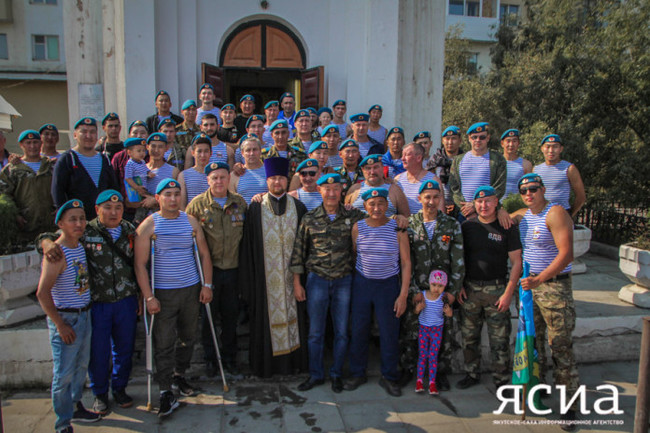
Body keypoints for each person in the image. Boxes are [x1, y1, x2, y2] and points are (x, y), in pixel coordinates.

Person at [39, 190, 139, 415]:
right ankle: (100, 393)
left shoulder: (129, 229)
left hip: (126, 299)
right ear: (97, 210)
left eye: (118, 208)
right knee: (98, 352)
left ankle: (120, 388)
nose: (113, 212)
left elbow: (139, 263)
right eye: (107, 208)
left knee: (124, 349)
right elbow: (51, 238)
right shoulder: (85, 230)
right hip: (97, 302)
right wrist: (46, 243)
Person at [134, 178, 213, 417]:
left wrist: (207, 285)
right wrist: (148, 297)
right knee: (165, 342)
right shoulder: (149, 225)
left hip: (190, 290)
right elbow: (140, 264)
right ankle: (165, 389)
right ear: (158, 198)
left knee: (188, 337)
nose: (173, 198)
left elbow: (204, 255)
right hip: (163, 294)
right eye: (167, 194)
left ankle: (180, 375)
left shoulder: (190, 222)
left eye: (177, 194)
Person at [512, 173, 579, 431]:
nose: (529, 193)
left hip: (553, 288)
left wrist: (540, 278)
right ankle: (538, 391)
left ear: (543, 189)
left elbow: (566, 253)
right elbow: (510, 214)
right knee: (535, 343)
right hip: (531, 290)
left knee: (560, 346)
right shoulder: (526, 214)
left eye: (533, 189)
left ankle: (569, 406)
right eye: (524, 190)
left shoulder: (556, 213)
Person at [290, 173, 366, 393]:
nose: (331, 193)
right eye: (327, 189)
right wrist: (297, 282)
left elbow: (376, 220)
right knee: (315, 332)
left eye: (335, 189)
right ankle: (315, 374)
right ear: (320, 191)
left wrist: (398, 220)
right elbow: (298, 252)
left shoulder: (354, 216)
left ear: (342, 191)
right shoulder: (309, 218)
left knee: (342, 331)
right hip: (317, 280)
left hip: (344, 280)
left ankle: (336, 374)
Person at [239, 157, 309, 378]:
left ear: (287, 180)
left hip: (292, 279)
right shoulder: (255, 208)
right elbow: (248, 249)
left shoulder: (298, 207)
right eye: (273, 178)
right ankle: (266, 367)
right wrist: (250, 284)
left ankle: (294, 364)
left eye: (281, 178)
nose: (277, 182)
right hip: (264, 280)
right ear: (266, 180)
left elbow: (306, 245)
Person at [36, 199, 101, 433]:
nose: (79, 223)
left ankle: (75, 406)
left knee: (80, 367)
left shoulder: (79, 246)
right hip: (67, 318)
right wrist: (59, 324)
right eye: (72, 219)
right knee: (63, 374)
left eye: (82, 218)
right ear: (60, 223)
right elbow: (42, 293)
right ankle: (62, 423)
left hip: (84, 314)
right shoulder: (56, 253)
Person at [345, 187, 411, 397]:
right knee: (358, 330)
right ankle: (357, 373)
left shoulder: (397, 228)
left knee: (389, 331)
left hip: (388, 285)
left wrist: (403, 295)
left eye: (381, 204)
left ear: (387, 206)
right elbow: (355, 254)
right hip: (363, 284)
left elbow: (406, 263)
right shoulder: (358, 227)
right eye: (372, 204)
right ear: (365, 207)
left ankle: (389, 376)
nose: (376, 208)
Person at [457, 185, 522, 391]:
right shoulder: (467, 227)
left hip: (497, 290)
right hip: (470, 290)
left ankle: (501, 379)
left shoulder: (507, 227)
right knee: (469, 337)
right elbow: (458, 258)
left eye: (488, 201)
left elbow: (517, 262)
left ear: (496, 203)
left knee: (500, 340)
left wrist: (509, 292)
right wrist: (459, 285)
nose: (483, 205)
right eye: (479, 202)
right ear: (474, 204)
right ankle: (471, 373)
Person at [401, 180, 464, 391]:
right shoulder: (410, 224)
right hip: (417, 289)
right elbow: (404, 261)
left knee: (443, 333)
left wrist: (453, 291)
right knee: (412, 330)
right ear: (419, 199)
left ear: (441, 199)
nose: (431, 201)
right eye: (427, 197)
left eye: (436, 197)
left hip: (442, 291)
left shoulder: (451, 225)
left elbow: (458, 260)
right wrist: (411, 292)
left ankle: (440, 373)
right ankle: (410, 370)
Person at [186, 162, 247, 376]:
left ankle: (230, 357)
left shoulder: (239, 203)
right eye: (215, 178)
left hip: (233, 270)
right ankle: (211, 359)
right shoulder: (196, 205)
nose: (219, 181)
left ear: (228, 178)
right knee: (208, 317)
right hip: (208, 272)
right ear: (208, 180)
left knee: (231, 317)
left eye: (222, 177)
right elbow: (189, 238)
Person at [52, 117, 118, 221]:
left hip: (102, 221)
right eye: (84, 132)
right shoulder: (67, 159)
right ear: (75, 135)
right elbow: (58, 191)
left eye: (92, 132)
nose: (88, 136)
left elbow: (113, 188)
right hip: (77, 222)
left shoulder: (105, 159)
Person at [0, 129, 55, 242]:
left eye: (35, 142)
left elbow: (62, 188)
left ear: (41, 143)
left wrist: (59, 207)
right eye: (28, 143)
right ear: (21, 145)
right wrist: (15, 215)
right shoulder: (12, 169)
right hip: (26, 226)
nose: (32, 146)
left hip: (51, 224)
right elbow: (4, 195)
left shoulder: (51, 166)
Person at [448, 122, 507, 220]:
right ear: (469, 139)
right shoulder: (458, 160)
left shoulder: (497, 160)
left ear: (488, 138)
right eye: (474, 137)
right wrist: (466, 208)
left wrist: (475, 206)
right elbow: (454, 189)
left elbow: (499, 188)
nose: (478, 140)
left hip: (488, 213)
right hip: (464, 214)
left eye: (482, 137)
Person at [413, 270, 453, 395]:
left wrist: (449, 313)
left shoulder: (443, 299)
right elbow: (415, 312)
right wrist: (417, 309)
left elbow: (449, 314)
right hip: (424, 329)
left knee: (433, 356)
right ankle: (419, 381)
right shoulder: (423, 295)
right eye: (434, 285)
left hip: (436, 330)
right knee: (423, 355)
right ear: (429, 284)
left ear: (444, 287)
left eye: (440, 286)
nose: (436, 289)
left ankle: (432, 383)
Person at [534, 134, 586, 218]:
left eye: (555, 147)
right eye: (547, 147)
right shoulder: (536, 169)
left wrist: (569, 215)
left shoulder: (569, 168)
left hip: (562, 214)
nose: (551, 150)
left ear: (561, 149)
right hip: (541, 215)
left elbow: (581, 197)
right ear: (542, 149)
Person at [345, 154, 410, 217]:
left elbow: (406, 217)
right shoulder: (354, 190)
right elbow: (345, 213)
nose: (372, 172)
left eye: (376, 167)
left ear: (382, 168)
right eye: (368, 168)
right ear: (363, 170)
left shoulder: (394, 190)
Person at [395, 142, 442, 214]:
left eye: (406, 155)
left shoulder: (433, 180)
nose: (402, 158)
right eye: (402, 155)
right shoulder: (397, 180)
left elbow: (440, 210)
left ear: (419, 158)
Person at [427, 126, 464, 214]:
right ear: (443, 141)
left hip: (460, 206)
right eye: (447, 139)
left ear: (460, 141)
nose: (450, 142)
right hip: (438, 205)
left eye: (453, 138)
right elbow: (430, 184)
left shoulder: (465, 159)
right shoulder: (435, 160)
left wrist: (457, 204)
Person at [229, 135, 268, 204]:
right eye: (248, 150)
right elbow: (232, 202)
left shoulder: (269, 171)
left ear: (260, 151)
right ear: (242, 153)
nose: (252, 153)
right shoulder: (235, 175)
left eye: (255, 149)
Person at [178, 134, 211, 208]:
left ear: (211, 153)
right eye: (199, 151)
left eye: (206, 151)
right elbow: (182, 206)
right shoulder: (184, 175)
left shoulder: (216, 175)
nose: (203, 155)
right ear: (193, 153)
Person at [500, 129, 532, 200]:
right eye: (508, 141)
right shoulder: (496, 163)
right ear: (502, 143)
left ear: (518, 143)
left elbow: (528, 188)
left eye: (514, 141)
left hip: (517, 205)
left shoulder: (526, 164)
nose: (511, 144)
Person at [123, 137, 155, 203]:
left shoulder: (142, 162)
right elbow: (128, 178)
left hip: (144, 188)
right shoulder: (130, 164)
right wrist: (137, 187)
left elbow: (146, 170)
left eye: (144, 151)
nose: (142, 153)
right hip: (136, 190)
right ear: (129, 152)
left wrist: (149, 173)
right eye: (139, 151)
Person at [146, 132, 179, 196]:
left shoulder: (173, 172)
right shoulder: (140, 168)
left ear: (166, 148)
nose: (156, 150)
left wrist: (154, 200)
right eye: (153, 146)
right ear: (147, 147)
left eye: (160, 147)